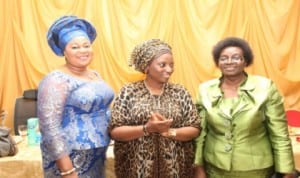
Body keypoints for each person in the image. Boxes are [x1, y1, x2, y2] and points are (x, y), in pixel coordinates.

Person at [193, 37, 295, 178]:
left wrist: (286, 170)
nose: (229, 61)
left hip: (256, 169)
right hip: (215, 167)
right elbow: (200, 133)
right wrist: (198, 166)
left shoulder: (265, 87)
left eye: (236, 57)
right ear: (218, 62)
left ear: (245, 61)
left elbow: (279, 133)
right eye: (223, 58)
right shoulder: (204, 90)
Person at [109, 39, 201, 178]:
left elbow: (195, 128)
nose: (169, 69)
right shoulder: (129, 92)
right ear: (146, 67)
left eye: (171, 65)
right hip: (135, 170)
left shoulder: (180, 92)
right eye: (162, 65)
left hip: (176, 170)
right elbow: (115, 131)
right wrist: (147, 129)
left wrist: (170, 132)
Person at [37, 15, 114, 178]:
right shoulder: (55, 80)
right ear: (64, 51)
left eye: (86, 45)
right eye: (75, 47)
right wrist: (67, 171)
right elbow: (49, 128)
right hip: (71, 158)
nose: (83, 51)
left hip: (98, 154)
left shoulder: (94, 74)